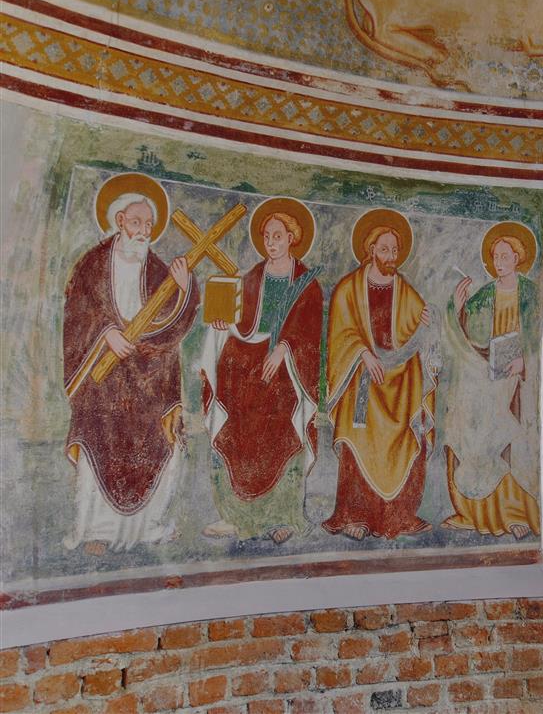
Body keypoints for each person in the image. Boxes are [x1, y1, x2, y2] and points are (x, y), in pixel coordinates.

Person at [63, 173, 199, 555]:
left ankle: (149, 527)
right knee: (98, 440)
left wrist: (185, 288)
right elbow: (77, 315)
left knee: (162, 439)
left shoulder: (157, 270)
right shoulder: (92, 265)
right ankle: (95, 530)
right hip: (103, 376)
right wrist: (105, 333)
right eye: (136, 222)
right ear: (120, 221)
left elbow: (173, 327)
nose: (143, 231)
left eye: (149, 224)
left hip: (149, 378)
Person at [199, 199, 322, 545]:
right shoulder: (251, 278)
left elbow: (311, 332)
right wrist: (222, 325)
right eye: (267, 236)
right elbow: (239, 324)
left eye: (277, 236)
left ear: (292, 238)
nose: (271, 242)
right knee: (237, 435)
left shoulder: (307, 284)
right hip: (247, 375)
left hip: (285, 379)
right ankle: (235, 516)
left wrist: (284, 348)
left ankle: (284, 516)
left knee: (283, 437)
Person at [322, 209, 437, 541]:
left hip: (400, 384)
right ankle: (354, 516)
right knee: (357, 437)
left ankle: (400, 516)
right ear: (371, 249)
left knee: (410, 438)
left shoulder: (405, 290)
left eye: (394, 250)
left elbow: (420, 333)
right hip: (362, 381)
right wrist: (363, 353)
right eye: (384, 249)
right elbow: (341, 334)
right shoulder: (349, 289)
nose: (390, 256)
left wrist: (427, 323)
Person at [442, 222, 541, 540]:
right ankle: (484, 512)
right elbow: (468, 339)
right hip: (490, 379)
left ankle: (517, 512)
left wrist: (526, 361)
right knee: (473, 430)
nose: (499, 262)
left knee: (513, 443)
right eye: (495, 257)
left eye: (504, 256)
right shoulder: (485, 295)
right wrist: (457, 308)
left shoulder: (532, 294)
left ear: (518, 258)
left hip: (520, 383)